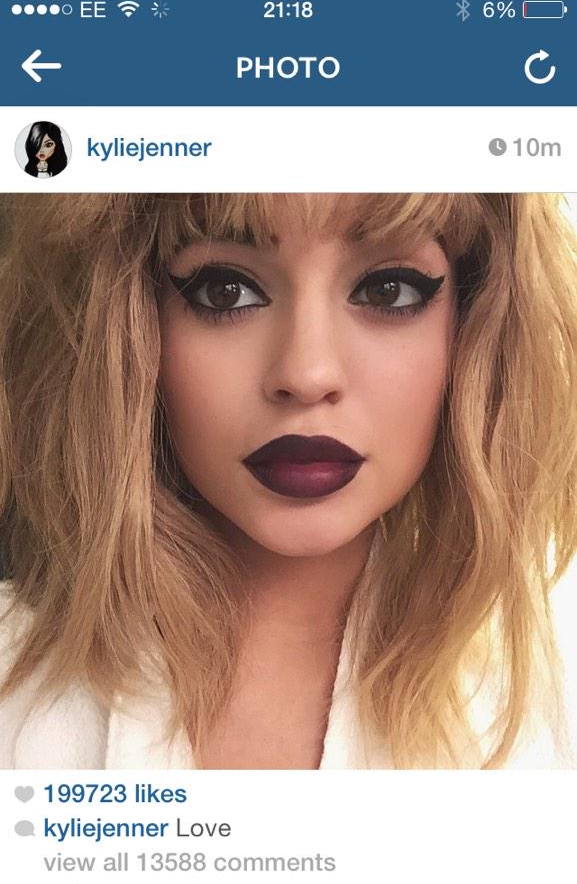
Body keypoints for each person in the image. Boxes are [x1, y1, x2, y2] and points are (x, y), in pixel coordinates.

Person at [0, 193, 576, 769]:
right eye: (225, 290)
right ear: (128, 322)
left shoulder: (554, 703)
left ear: (474, 324)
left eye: (388, 290)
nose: (306, 374)